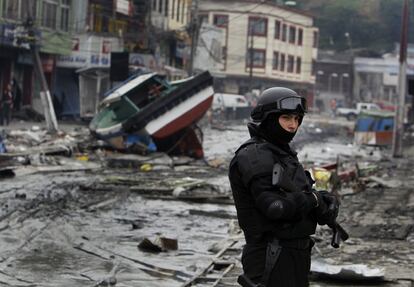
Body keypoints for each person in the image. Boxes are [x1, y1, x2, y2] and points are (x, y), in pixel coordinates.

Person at [228, 87, 339, 287]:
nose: (292, 125)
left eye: (297, 119)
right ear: (269, 119)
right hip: (270, 256)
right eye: (286, 118)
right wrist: (313, 200)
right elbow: (275, 207)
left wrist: (323, 204)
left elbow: (297, 198)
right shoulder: (255, 155)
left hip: (293, 256)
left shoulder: (282, 153)